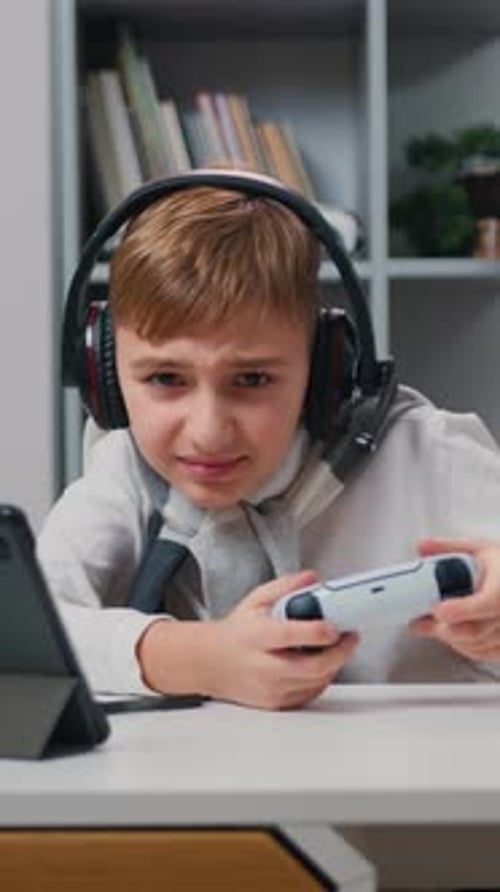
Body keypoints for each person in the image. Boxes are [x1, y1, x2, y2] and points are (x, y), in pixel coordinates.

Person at [38, 174, 500, 709]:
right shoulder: (124, 470)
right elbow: (28, 635)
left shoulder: (430, 456)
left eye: (253, 380)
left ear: (326, 370)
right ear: (107, 377)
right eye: (165, 379)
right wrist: (202, 658)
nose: (208, 431)